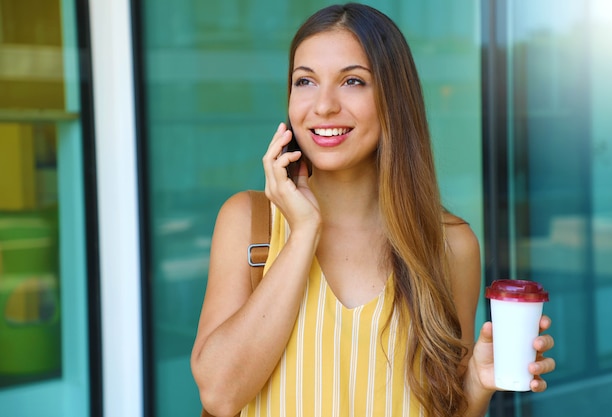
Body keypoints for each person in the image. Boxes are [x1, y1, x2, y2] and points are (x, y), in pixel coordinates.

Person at [191, 3, 555, 417]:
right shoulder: (248, 222)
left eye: (352, 81)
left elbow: (445, 410)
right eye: (305, 80)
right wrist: (304, 233)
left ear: (392, 98)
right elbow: (219, 395)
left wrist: (476, 384)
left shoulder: (450, 245)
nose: (323, 106)